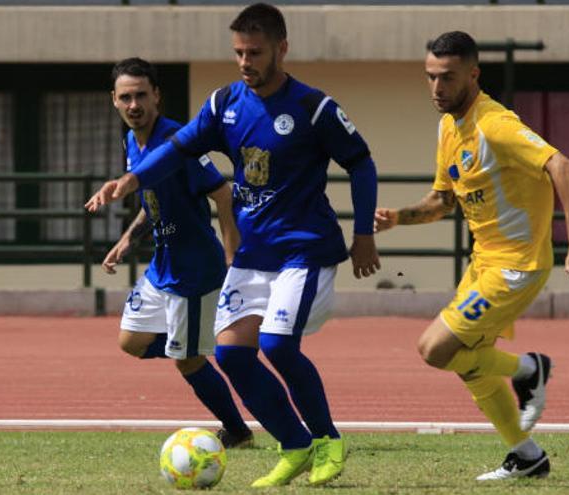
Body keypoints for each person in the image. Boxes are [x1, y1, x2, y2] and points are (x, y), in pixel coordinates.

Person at [86, 4, 381, 487]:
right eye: (239, 52)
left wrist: (363, 234)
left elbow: (362, 163)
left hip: (304, 251)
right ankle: (294, 445)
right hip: (254, 255)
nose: (245, 61)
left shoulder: (313, 107)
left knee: (277, 345)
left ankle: (328, 439)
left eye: (255, 52)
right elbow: (180, 147)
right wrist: (132, 179)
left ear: (281, 49)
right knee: (232, 356)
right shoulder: (224, 103)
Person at [374, 31, 569, 480]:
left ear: (473, 74)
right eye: (430, 77)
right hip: (483, 264)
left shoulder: (494, 125)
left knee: (435, 348)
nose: (437, 88)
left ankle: (529, 369)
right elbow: (443, 202)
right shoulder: (447, 128)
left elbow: (563, 166)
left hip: (516, 267)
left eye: (447, 78)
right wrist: (399, 217)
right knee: (469, 363)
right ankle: (526, 456)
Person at [101, 57, 253, 449]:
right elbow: (152, 199)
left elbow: (223, 193)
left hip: (193, 271)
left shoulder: (177, 142)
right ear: (115, 101)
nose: (133, 104)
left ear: (156, 97)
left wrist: (231, 255)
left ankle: (237, 431)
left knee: (188, 361)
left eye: (140, 96)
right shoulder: (132, 141)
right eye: (125, 97)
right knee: (130, 342)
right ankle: (195, 341)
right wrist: (127, 240)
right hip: (161, 266)